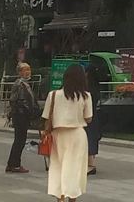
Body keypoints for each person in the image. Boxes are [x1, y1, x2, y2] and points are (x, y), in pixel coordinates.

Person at [43, 63, 93, 201]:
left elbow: (46, 117)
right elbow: (88, 118)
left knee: (58, 167)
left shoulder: (53, 95)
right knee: (74, 168)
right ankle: (72, 198)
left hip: (58, 135)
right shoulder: (86, 96)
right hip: (77, 135)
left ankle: (60, 197)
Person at [5, 62, 39, 174]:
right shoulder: (19, 84)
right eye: (25, 70)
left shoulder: (25, 84)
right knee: (19, 140)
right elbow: (15, 101)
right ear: (19, 72)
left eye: (29, 69)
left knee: (20, 140)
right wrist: (28, 110)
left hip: (23, 115)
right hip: (20, 115)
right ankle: (14, 164)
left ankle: (12, 164)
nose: (28, 72)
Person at [84, 64, 103, 176]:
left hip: (87, 116)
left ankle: (90, 164)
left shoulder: (86, 88)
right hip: (95, 115)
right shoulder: (96, 86)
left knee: (88, 138)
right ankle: (91, 163)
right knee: (92, 138)